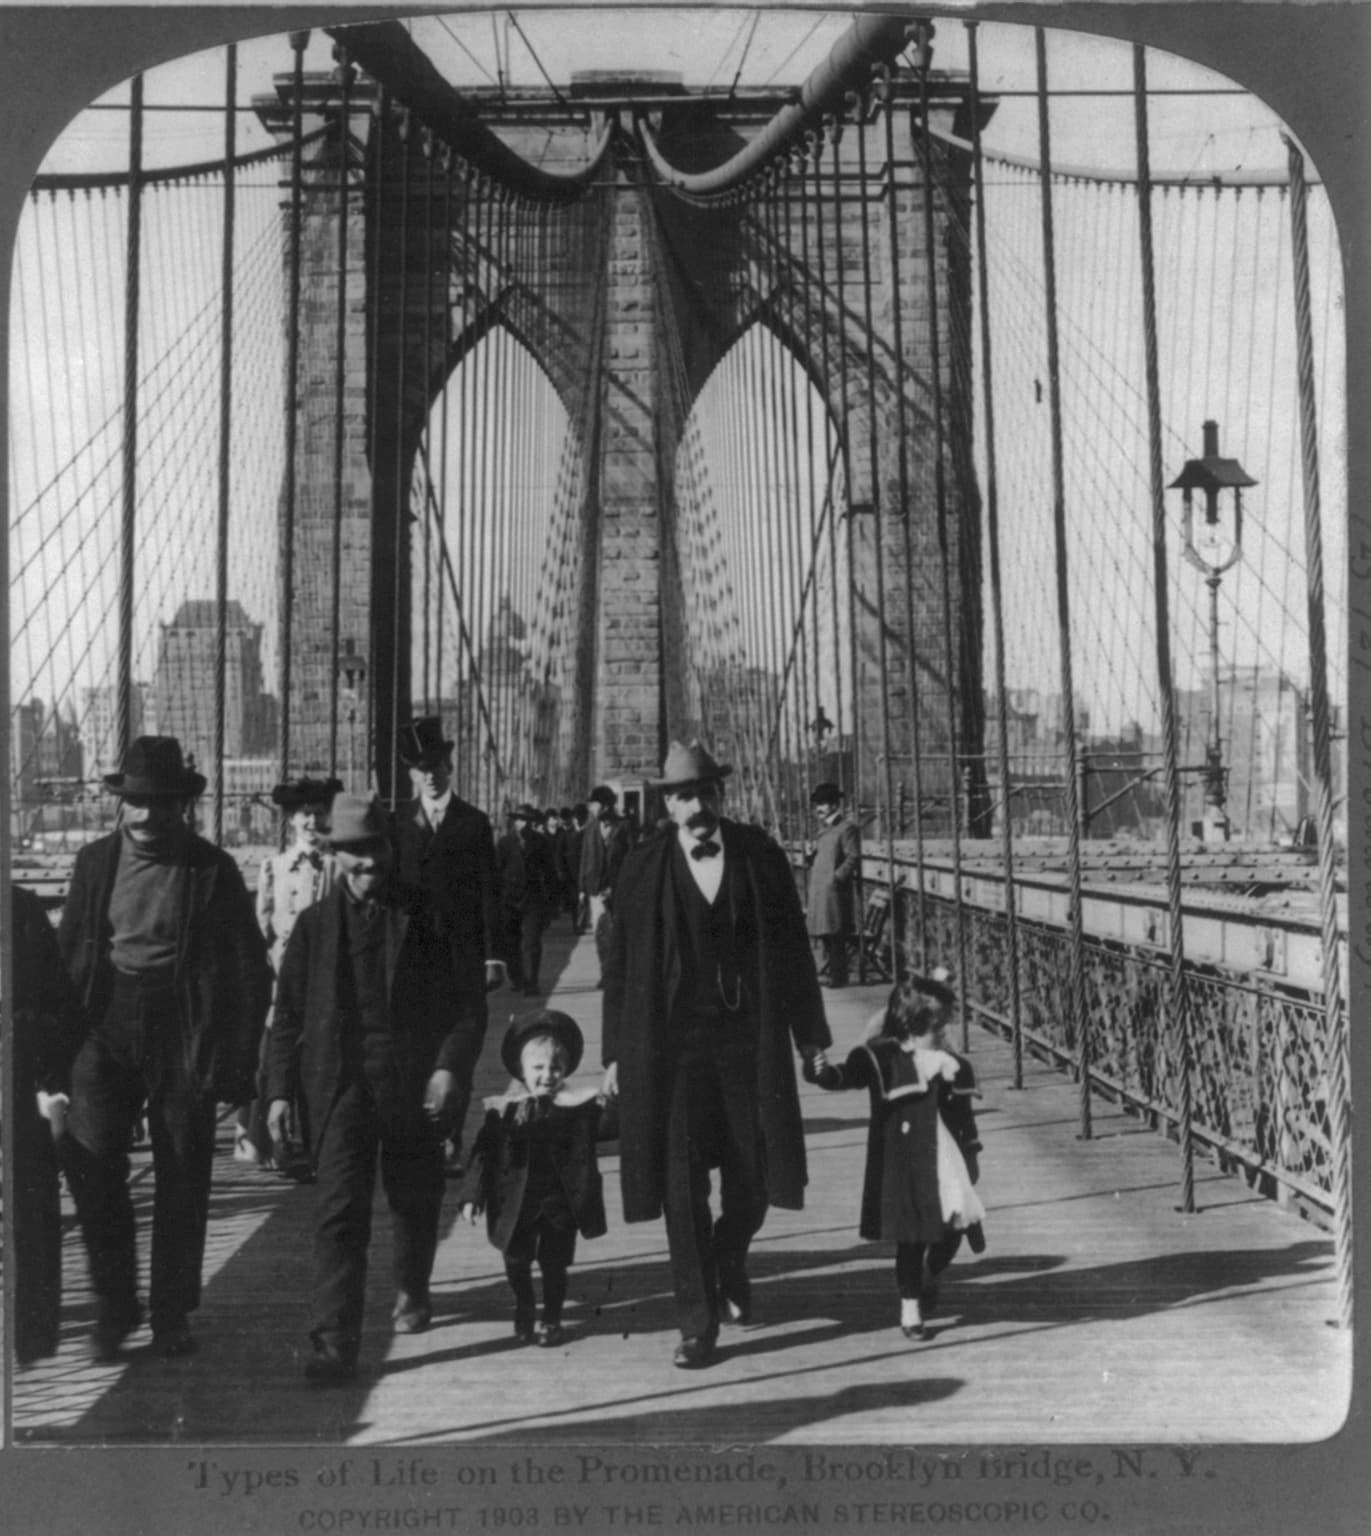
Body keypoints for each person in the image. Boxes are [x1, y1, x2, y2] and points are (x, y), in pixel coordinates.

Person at [601, 739, 833, 1369]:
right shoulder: (642, 866)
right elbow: (620, 967)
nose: (697, 807)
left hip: (746, 1044)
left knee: (753, 1179)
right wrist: (616, 1052)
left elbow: (792, 951)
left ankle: (731, 1255)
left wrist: (810, 1034)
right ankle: (697, 1323)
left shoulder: (759, 855)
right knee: (681, 1191)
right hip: (670, 1052)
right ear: (667, 805)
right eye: (683, 796)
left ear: (721, 795)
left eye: (705, 793)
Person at [58, 736, 271, 1360]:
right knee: (93, 1164)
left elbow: (250, 970)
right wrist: (54, 1051)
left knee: (183, 1170)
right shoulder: (94, 863)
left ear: (182, 805)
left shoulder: (212, 869)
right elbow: (69, 955)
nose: (149, 814)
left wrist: (236, 1065)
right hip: (105, 1024)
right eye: (138, 801)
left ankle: (171, 1313)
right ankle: (116, 1305)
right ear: (120, 803)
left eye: (162, 802)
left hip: (184, 1027)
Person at [266, 793, 487, 1383]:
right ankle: (332, 1343)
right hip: (340, 1085)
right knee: (339, 1210)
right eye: (353, 852)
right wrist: (279, 1092)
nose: (368, 863)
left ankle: (413, 1285)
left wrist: (449, 1068)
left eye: (377, 849)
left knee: (414, 1198)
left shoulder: (431, 917)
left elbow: (467, 1007)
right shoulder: (313, 927)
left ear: (392, 848)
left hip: (412, 1081)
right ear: (334, 855)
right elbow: (286, 1017)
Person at [808, 972, 985, 1341]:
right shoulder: (881, 1058)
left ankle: (931, 1273)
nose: (945, 1033)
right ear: (912, 1025)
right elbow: (846, 1075)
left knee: (954, 1230)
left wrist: (971, 1152)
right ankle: (910, 1308)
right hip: (905, 1164)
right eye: (938, 1027)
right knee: (912, 1238)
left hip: (945, 1162)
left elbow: (963, 1116)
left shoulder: (951, 1064)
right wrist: (821, 1072)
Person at [457, 1011, 613, 1347]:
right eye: (538, 1068)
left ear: (566, 1069)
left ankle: (552, 1318)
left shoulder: (579, 1107)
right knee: (515, 1261)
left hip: (560, 1201)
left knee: (555, 1264)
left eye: (555, 1068)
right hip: (515, 1202)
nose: (547, 1076)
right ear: (522, 1070)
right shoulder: (505, 1109)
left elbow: (609, 1127)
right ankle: (525, 1304)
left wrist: (613, 1100)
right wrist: (472, 1196)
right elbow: (483, 1153)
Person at [392, 715, 503, 1163]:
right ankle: (426, 1135)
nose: (430, 776)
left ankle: (450, 1134)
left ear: (450, 768)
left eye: (437, 766)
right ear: (411, 775)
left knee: (459, 1049)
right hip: (413, 958)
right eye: (421, 769)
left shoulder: (474, 823)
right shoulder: (398, 823)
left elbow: (489, 893)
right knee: (418, 1046)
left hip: (462, 957)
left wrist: (494, 956)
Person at [238, 773, 342, 1173]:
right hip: (283, 976)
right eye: (304, 815)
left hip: (325, 974)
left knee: (317, 1055)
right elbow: (261, 927)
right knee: (276, 1055)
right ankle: (275, 1143)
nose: (312, 822)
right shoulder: (274, 868)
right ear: (291, 820)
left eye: (319, 814)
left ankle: (314, 1142)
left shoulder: (337, 868)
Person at [11, 883, 85, 1365]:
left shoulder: (19, 908)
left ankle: (33, 1333)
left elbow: (60, 1002)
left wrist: (47, 1073)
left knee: (31, 1204)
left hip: (17, 1077)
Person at [495, 804, 559, 997]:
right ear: (514, 822)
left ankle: (531, 982)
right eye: (520, 820)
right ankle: (517, 978)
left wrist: (552, 904)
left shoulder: (541, 842)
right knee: (511, 942)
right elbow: (496, 873)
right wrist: (497, 901)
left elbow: (550, 873)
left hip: (533, 899)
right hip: (509, 900)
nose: (523, 824)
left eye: (527, 821)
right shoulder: (504, 843)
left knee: (532, 942)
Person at [805, 781, 860, 988]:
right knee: (826, 934)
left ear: (835, 805)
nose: (819, 808)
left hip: (834, 891)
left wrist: (836, 878)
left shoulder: (847, 828)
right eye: (817, 804)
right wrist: (810, 856)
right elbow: (821, 858)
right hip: (821, 890)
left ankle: (839, 976)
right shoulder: (823, 831)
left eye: (823, 803)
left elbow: (853, 856)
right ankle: (834, 974)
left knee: (835, 934)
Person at [579, 784, 631, 989]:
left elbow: (632, 859)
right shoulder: (591, 828)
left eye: (594, 804)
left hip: (619, 889)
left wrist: (619, 887)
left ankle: (620, 973)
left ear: (606, 805)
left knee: (618, 933)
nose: (591, 808)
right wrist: (582, 888)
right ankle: (606, 973)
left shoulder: (624, 827)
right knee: (600, 933)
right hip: (596, 889)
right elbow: (585, 857)